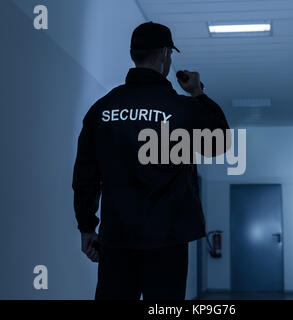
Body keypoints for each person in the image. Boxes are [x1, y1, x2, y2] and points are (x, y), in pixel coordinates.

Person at [72, 21, 230, 300]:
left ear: (134, 54)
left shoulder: (102, 109)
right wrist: (197, 93)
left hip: (117, 239)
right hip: (167, 242)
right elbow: (220, 141)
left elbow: (85, 174)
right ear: (165, 55)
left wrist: (86, 227)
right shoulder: (182, 109)